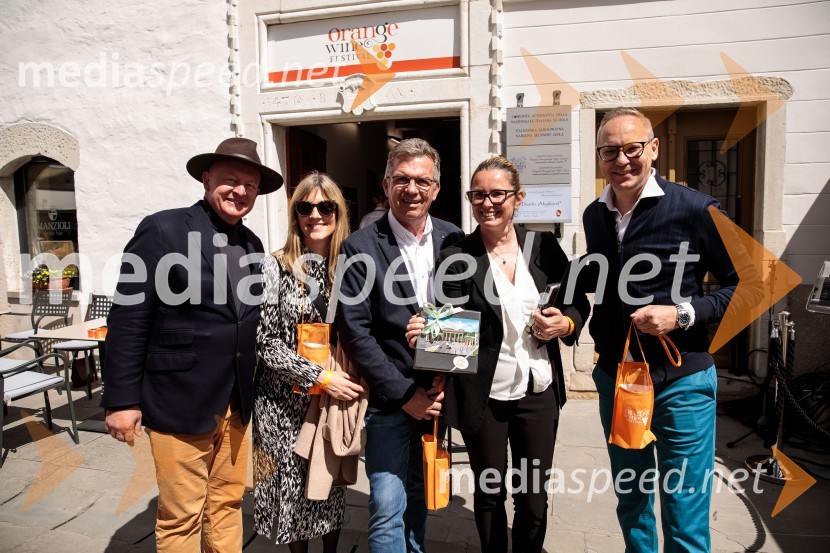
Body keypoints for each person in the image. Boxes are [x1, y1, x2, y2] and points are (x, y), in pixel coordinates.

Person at [102, 137, 283, 552]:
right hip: (179, 398)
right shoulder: (163, 229)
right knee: (182, 515)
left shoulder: (253, 244)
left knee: (228, 503)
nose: (240, 191)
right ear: (206, 179)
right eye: (231, 180)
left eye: (250, 185)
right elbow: (128, 319)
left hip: (235, 402)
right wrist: (121, 401)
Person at [405, 156, 590, 553]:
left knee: (533, 499)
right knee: (490, 494)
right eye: (478, 195)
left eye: (497, 194)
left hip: (538, 391)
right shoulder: (457, 255)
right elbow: (449, 319)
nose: (487, 203)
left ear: (517, 198)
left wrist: (566, 324)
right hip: (483, 395)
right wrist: (428, 333)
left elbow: (577, 303)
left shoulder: (543, 247)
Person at [583, 107, 739, 552]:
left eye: (632, 148)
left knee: (684, 509)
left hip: (681, 382)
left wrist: (682, 314)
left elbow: (747, 285)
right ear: (599, 156)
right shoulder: (595, 215)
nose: (622, 160)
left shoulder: (697, 209)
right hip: (619, 379)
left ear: (653, 149)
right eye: (610, 151)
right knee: (631, 502)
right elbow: (599, 281)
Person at [337, 138, 464, 553]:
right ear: (387, 184)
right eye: (402, 180)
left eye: (422, 181)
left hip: (437, 395)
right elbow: (356, 332)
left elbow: (466, 311)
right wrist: (406, 395)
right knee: (387, 506)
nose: (412, 189)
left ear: (436, 188)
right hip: (390, 400)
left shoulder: (454, 239)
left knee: (420, 494)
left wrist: (445, 373)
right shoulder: (359, 247)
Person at [253, 171, 364, 553]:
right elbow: (266, 342)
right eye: (305, 207)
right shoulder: (274, 267)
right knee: (288, 496)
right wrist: (320, 375)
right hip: (282, 404)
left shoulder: (350, 268)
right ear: (295, 215)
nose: (315, 215)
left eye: (325, 207)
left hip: (330, 401)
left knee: (328, 487)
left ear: (338, 213)